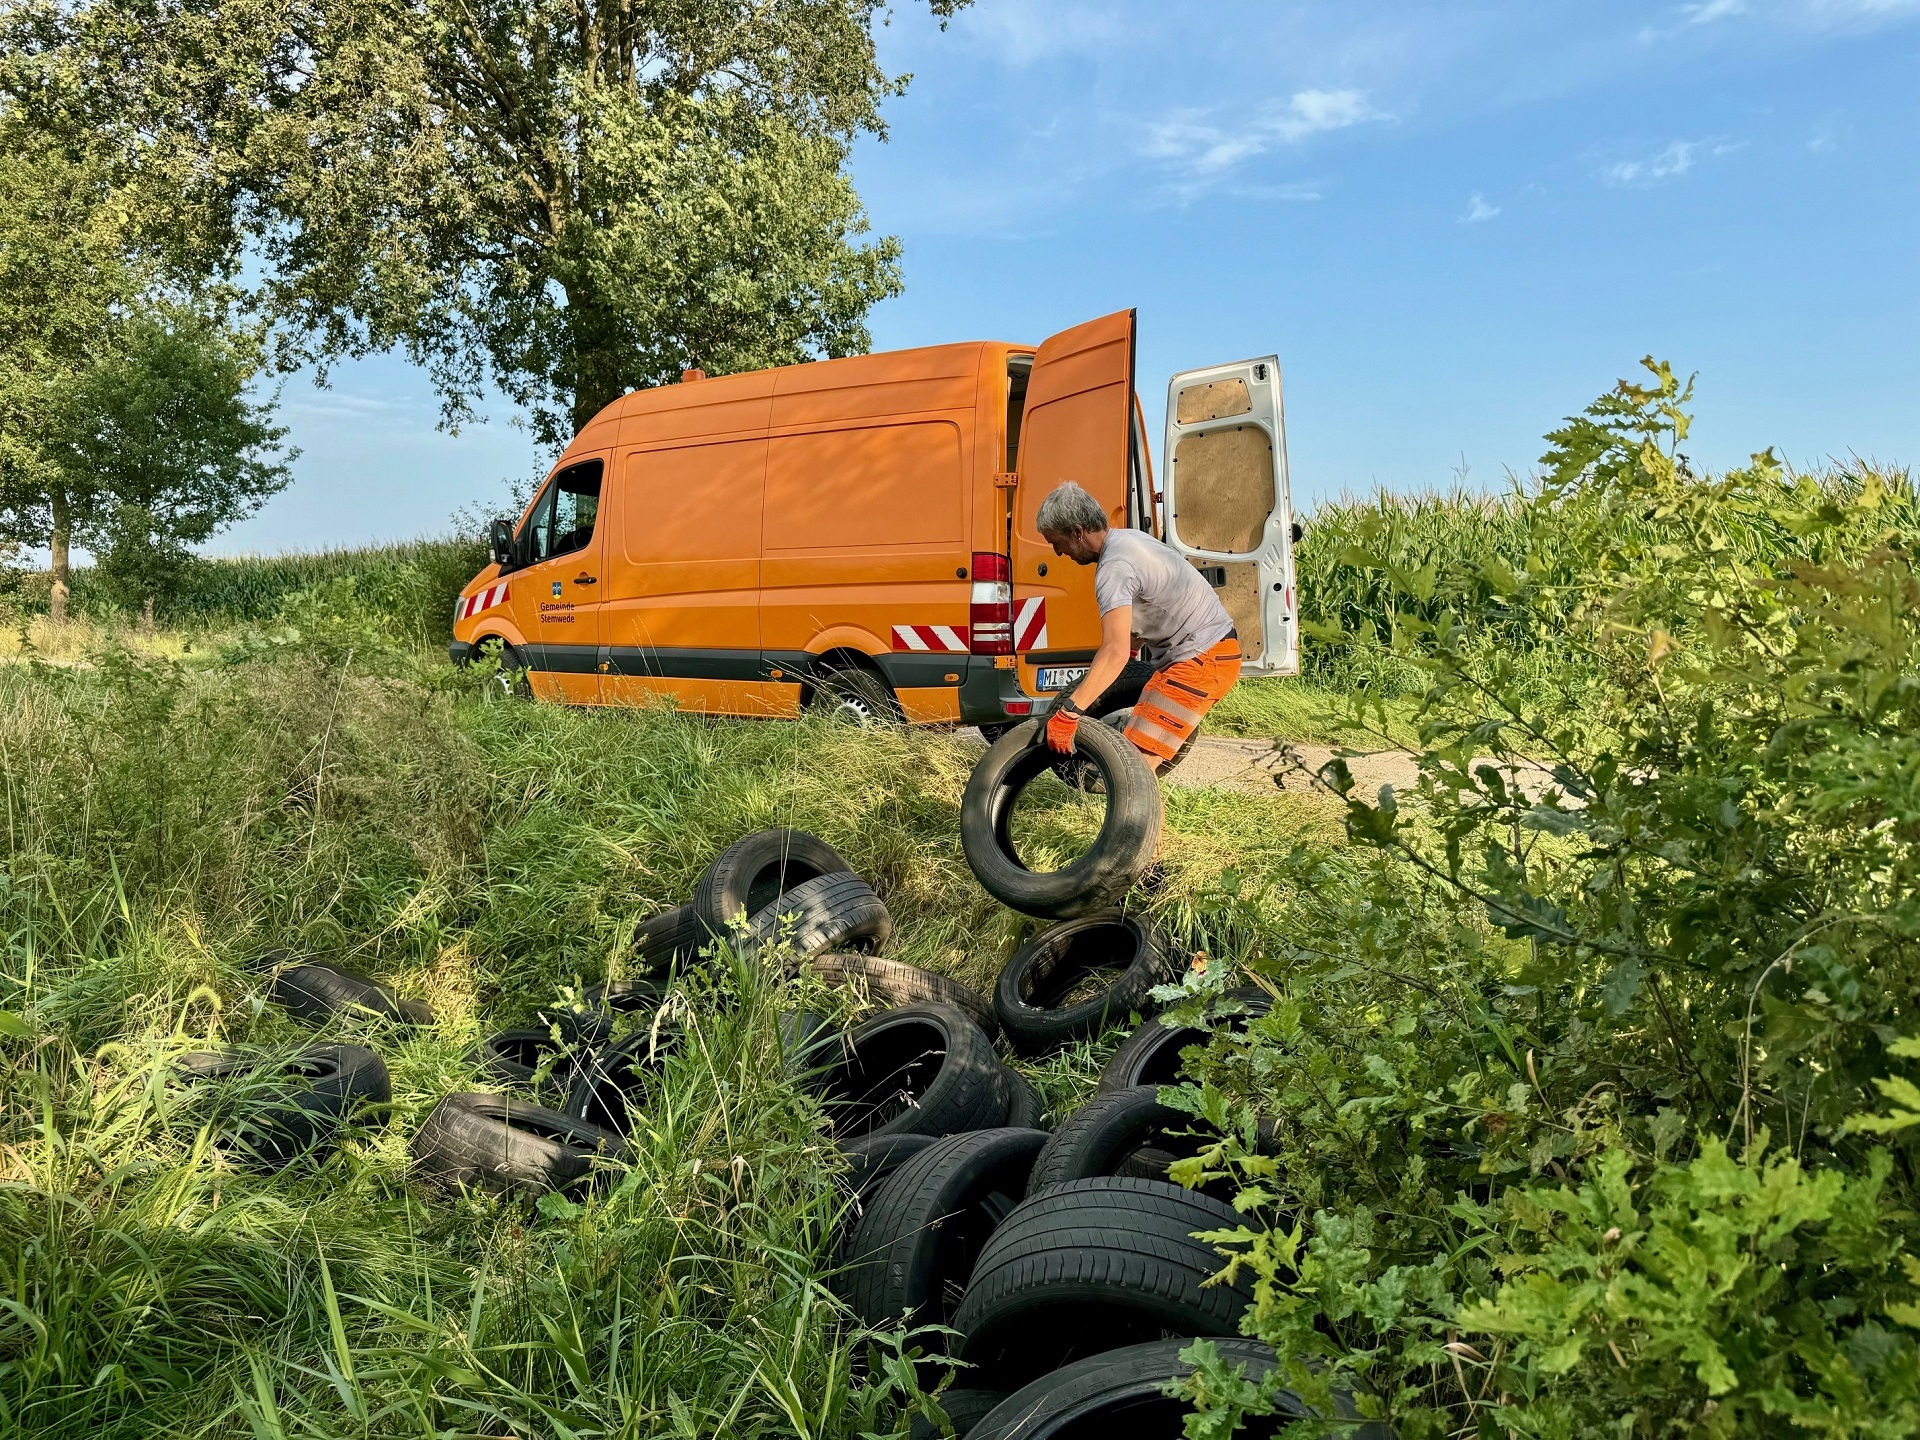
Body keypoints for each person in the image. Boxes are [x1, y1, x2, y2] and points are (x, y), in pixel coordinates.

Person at [1034, 481, 1242, 772]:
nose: (1057, 552)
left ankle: (1139, 820)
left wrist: (1069, 713)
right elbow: (1150, 611)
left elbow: (1114, 651)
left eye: (1056, 541)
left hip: (1200, 661)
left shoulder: (1114, 568)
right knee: (1135, 769)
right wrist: (1124, 670)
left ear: (1077, 532)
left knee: (1135, 771)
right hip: (1207, 652)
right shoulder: (1130, 540)